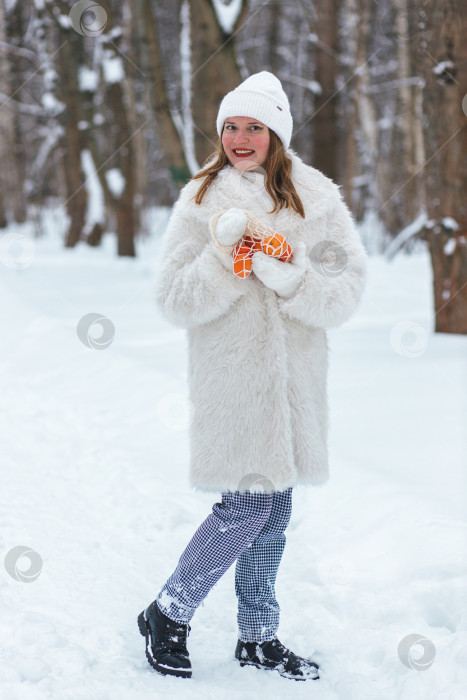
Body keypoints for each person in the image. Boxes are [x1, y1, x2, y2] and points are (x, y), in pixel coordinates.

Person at [138, 71, 367, 681]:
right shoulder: (200, 200)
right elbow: (172, 300)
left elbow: (346, 290)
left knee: (276, 506)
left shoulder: (316, 200)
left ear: (277, 134)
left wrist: (289, 277)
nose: (241, 138)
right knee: (245, 503)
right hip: (231, 379)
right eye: (231, 126)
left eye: (254, 127)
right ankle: (169, 610)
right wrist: (224, 259)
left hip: (296, 382)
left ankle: (257, 634)